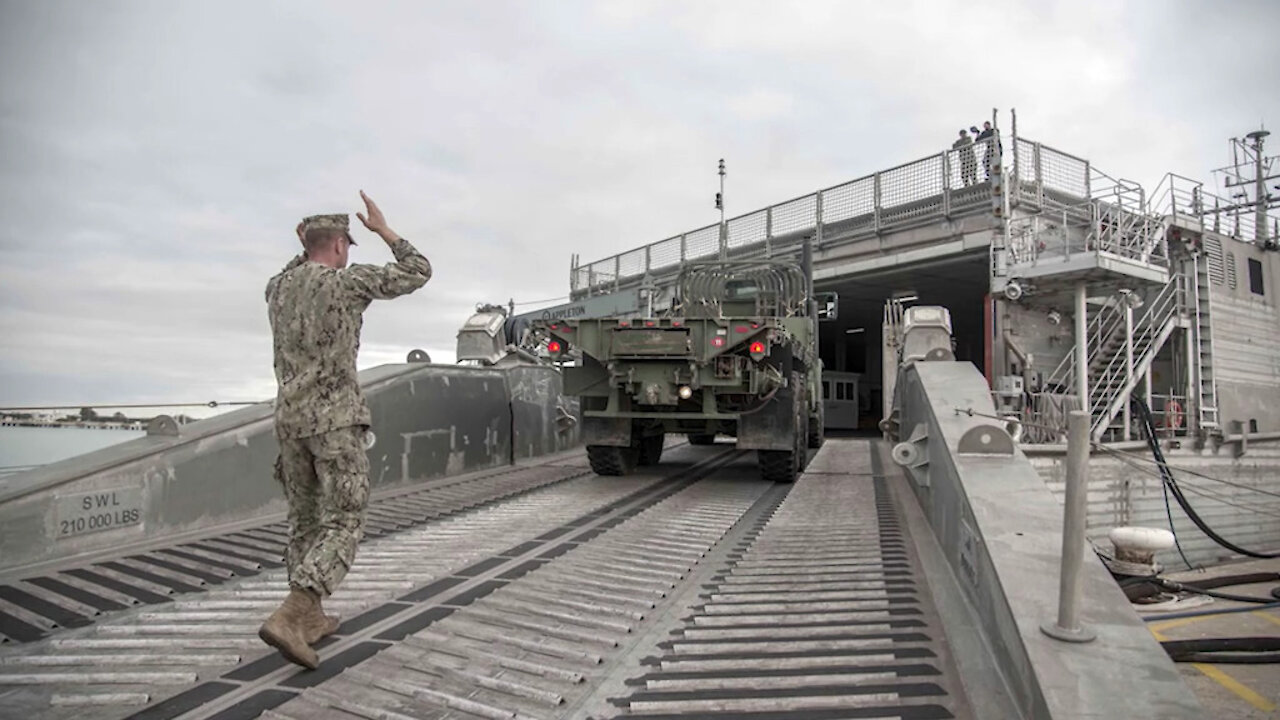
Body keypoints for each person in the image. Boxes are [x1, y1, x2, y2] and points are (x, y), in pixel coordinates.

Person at [259, 191, 432, 669]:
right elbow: (418, 270)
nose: (350, 253)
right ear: (338, 245)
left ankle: (311, 618)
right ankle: (294, 612)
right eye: (349, 245)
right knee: (345, 519)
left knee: (305, 522)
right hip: (335, 421)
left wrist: (305, 241)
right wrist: (384, 230)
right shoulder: (347, 283)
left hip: (290, 424)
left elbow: (295, 266)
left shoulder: (277, 287)